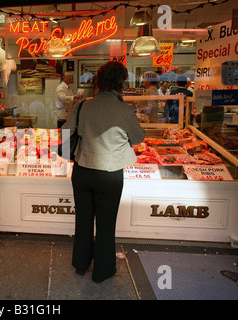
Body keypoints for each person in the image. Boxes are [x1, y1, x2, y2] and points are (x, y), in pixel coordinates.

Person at [63, 61, 145, 283]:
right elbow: (138, 138)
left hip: (82, 171)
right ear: (121, 83)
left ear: (98, 83)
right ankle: (102, 272)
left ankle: (81, 265)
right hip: (109, 174)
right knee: (106, 224)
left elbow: (64, 134)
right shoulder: (126, 110)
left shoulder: (82, 106)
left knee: (83, 221)